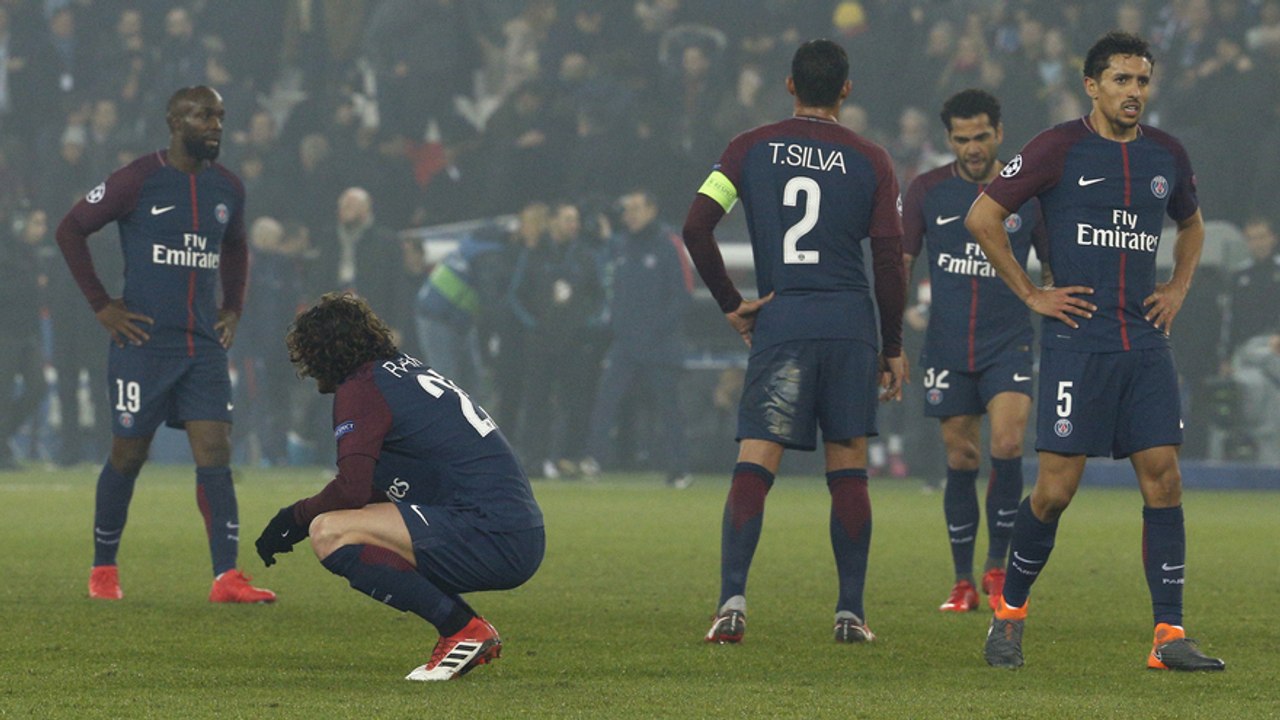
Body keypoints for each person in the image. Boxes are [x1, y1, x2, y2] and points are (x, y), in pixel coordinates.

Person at [965, 32, 1224, 671]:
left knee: (1164, 477)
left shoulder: (1166, 154)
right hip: (1077, 343)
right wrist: (1032, 293)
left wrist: (1177, 286)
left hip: (1144, 342)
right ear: (1092, 85)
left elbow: (1191, 224)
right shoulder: (1057, 147)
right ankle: (1008, 616)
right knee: (1055, 491)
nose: (1133, 92)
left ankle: (1169, 635)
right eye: (1121, 80)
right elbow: (982, 218)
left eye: (1142, 81)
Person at [682, 39, 907, 644]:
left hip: (783, 322)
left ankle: (731, 604)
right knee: (848, 466)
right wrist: (892, 344)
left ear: (789, 85)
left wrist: (731, 303)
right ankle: (850, 615)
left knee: (756, 460)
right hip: (849, 326)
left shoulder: (747, 148)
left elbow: (696, 226)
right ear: (846, 90)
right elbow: (889, 259)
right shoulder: (872, 160)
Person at [55, 85, 275, 604]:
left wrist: (232, 308)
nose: (215, 125)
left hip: (202, 346)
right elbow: (70, 230)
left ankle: (226, 577)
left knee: (215, 450)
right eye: (204, 116)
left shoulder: (228, 187)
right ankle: (103, 567)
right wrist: (102, 305)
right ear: (175, 122)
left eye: (220, 116)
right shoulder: (137, 179)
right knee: (129, 454)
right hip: (143, 344)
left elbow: (237, 247)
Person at [254, 293, 544, 682]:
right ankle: (467, 629)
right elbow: (375, 489)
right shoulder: (401, 372)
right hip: (512, 529)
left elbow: (352, 489)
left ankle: (462, 630)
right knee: (347, 522)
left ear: (322, 354)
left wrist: (294, 518)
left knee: (329, 531)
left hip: (491, 534)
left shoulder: (361, 388)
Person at [901, 89, 1049, 614]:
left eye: (981, 136)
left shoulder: (1028, 193)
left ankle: (997, 567)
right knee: (961, 457)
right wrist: (893, 332)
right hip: (947, 344)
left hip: (1008, 341)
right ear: (949, 139)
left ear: (999, 133)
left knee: (1007, 443)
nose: (972, 148)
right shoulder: (927, 191)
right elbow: (902, 263)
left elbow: (1054, 266)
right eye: (962, 139)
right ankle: (962, 579)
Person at [580, 189, 694, 488]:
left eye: (635, 208)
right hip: (625, 345)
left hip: (660, 345)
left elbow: (683, 295)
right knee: (606, 400)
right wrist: (619, 328)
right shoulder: (622, 246)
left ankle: (680, 468)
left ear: (652, 210)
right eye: (627, 209)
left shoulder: (669, 244)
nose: (629, 215)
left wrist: (655, 330)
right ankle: (594, 459)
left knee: (669, 408)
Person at [0, 209, 52, 469]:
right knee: (3, 392)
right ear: (21, 224)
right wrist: (31, 284)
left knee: (38, 386)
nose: (42, 229)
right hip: (5, 331)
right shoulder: (5, 253)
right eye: (36, 223)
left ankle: (2, 437)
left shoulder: (35, 255)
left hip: (28, 333)